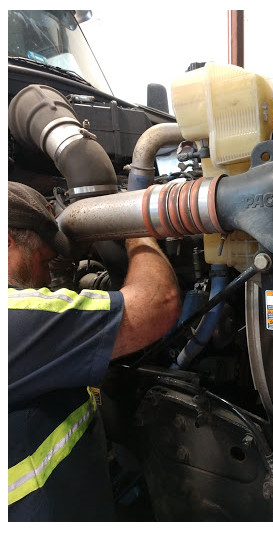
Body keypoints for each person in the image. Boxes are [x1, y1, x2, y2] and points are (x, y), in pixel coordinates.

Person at [8, 181, 181, 521]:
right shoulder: (15, 318)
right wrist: (138, 231)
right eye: (43, 261)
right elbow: (158, 304)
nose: (46, 279)